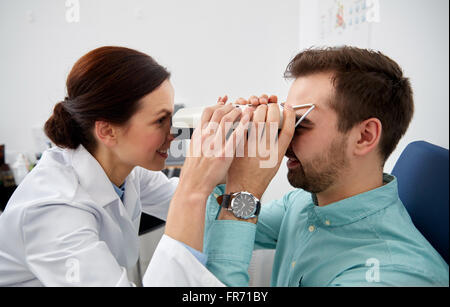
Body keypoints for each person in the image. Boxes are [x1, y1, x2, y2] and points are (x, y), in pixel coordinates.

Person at [0, 46, 257, 286]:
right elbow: (189, 202)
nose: (175, 133)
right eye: (160, 120)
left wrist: (231, 170)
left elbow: (206, 213)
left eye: (173, 116)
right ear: (107, 131)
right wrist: (194, 186)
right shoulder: (53, 212)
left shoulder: (128, 171)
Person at [202, 46, 450, 287]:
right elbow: (219, 233)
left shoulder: (392, 274)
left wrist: (246, 192)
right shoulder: (304, 202)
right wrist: (228, 169)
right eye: (283, 121)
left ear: (364, 136)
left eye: (299, 124)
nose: (284, 138)